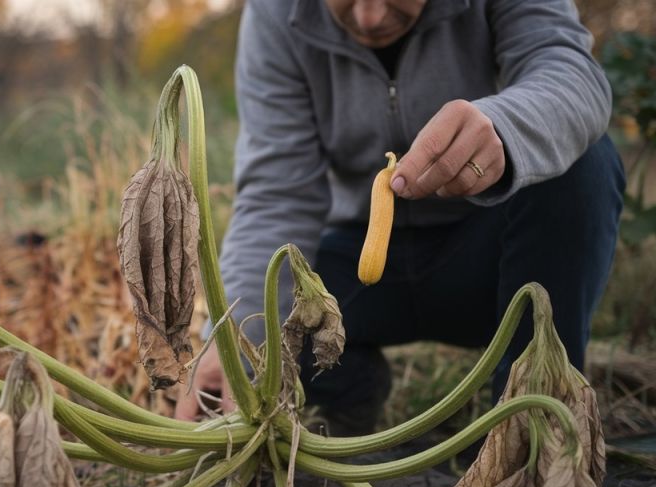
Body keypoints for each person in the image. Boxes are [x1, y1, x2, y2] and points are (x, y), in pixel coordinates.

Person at [174, 0, 626, 434]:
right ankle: (347, 389)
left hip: (491, 262)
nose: (369, 16)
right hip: (355, 268)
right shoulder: (274, 10)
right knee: (280, 302)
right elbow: (277, 192)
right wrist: (234, 335)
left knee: (586, 164)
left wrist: (504, 127)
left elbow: (572, 76)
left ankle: (527, 423)